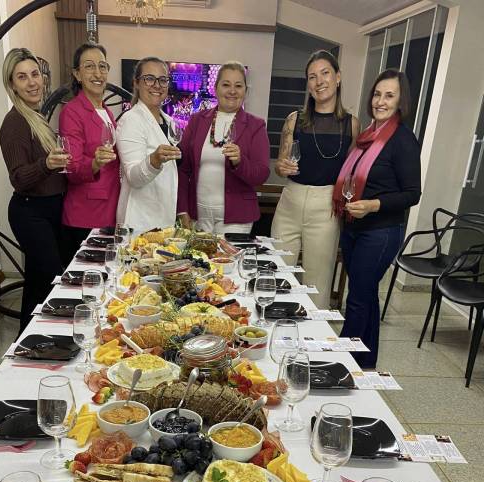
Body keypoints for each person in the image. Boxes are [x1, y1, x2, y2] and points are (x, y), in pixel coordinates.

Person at [333, 69, 421, 369]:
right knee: (367, 295)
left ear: (400, 102)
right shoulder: (367, 136)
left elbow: (412, 194)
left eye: (389, 95)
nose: (380, 101)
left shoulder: (403, 140)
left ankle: (339, 365)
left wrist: (373, 205)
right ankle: (364, 362)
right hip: (354, 227)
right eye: (377, 94)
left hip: (381, 232)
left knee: (357, 299)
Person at [271, 50, 360, 309]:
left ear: (338, 77)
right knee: (277, 273)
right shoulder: (294, 120)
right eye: (312, 76)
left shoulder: (352, 125)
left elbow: (353, 172)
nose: (319, 81)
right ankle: (277, 326)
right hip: (290, 200)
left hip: (326, 205)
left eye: (325, 73)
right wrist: (282, 167)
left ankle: (313, 332)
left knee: (318, 281)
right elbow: (280, 165)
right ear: (308, 84)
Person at [0, 48, 69, 331]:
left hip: (48, 209)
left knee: (38, 283)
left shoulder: (35, 117)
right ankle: (39, 340)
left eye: (35, 74)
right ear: (12, 84)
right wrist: (47, 164)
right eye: (22, 77)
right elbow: (18, 178)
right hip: (31, 212)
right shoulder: (15, 122)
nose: (32, 82)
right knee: (49, 280)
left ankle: (25, 342)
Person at [177, 62, 270, 235]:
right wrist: (182, 209)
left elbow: (261, 174)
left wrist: (240, 162)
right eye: (226, 84)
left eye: (238, 86)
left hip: (237, 219)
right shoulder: (196, 121)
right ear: (215, 88)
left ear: (245, 91)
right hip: (198, 217)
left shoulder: (256, 126)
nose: (232, 91)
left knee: (228, 255)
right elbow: (183, 169)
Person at [59, 43, 120, 260]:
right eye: (89, 66)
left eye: (102, 66)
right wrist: (95, 163)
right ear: (77, 74)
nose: (97, 73)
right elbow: (71, 168)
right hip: (86, 214)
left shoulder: (106, 112)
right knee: (89, 277)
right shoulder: (71, 112)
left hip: (110, 208)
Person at [115, 57, 181, 233]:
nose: (157, 85)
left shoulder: (170, 123)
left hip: (163, 220)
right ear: (136, 83)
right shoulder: (130, 120)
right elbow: (134, 177)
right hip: (139, 222)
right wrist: (154, 160)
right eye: (149, 79)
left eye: (163, 80)